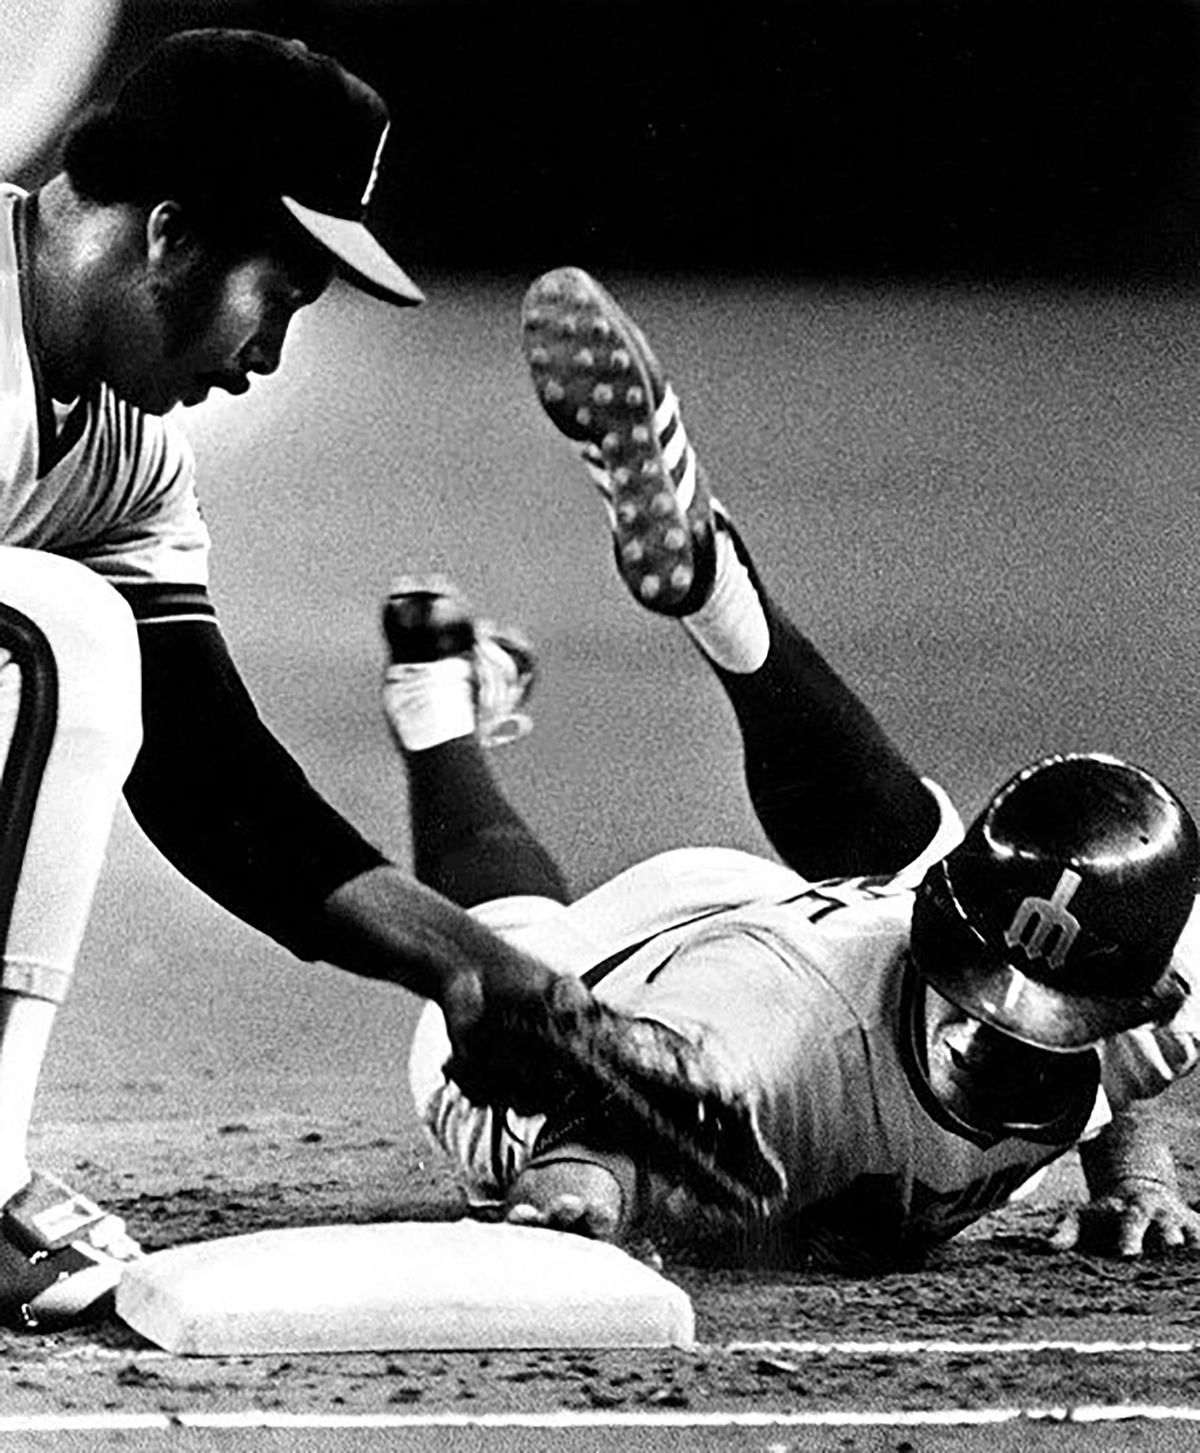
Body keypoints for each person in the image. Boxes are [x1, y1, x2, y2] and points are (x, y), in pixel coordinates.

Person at [390, 266, 1200, 1270]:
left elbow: (1123, 1055)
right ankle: (433, 705)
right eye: (985, 993)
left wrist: (1138, 1180)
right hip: (601, 1031)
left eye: (1046, 1020)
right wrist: (575, 1202)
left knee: (951, 864)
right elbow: (607, 1138)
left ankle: (716, 591)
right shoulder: (765, 1046)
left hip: (781, 912)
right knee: (520, 954)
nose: (1000, 1032)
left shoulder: (1152, 957)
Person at [0, 31, 588, 1330]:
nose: (269, 356)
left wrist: (465, 961)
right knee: (59, 631)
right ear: (168, 236)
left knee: (79, 639)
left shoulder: (122, 459)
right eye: (283, 293)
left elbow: (208, 771)